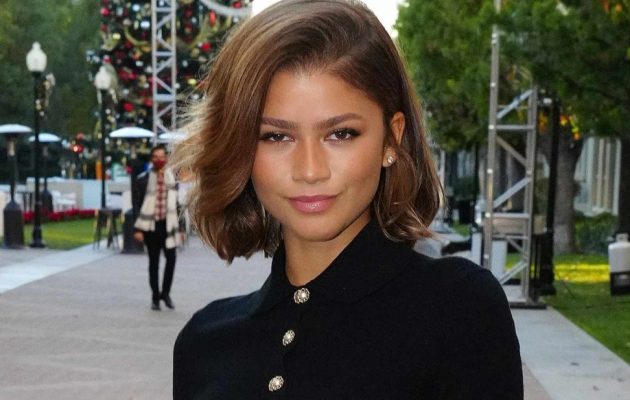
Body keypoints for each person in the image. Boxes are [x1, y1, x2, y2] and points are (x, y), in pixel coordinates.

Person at [171, 0, 523, 398]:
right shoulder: (203, 343)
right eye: (276, 136)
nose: (310, 170)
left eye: (340, 134)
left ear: (391, 139)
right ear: (240, 149)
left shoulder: (458, 309)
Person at [133, 145, 182, 311]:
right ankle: (155, 297)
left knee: (171, 260)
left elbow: (178, 205)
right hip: (150, 226)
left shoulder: (172, 179)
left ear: (166, 159)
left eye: (162, 157)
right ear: (151, 159)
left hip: (169, 226)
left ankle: (165, 293)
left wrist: (181, 229)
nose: (159, 160)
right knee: (153, 263)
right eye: (155, 157)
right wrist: (137, 230)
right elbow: (136, 205)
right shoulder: (142, 179)